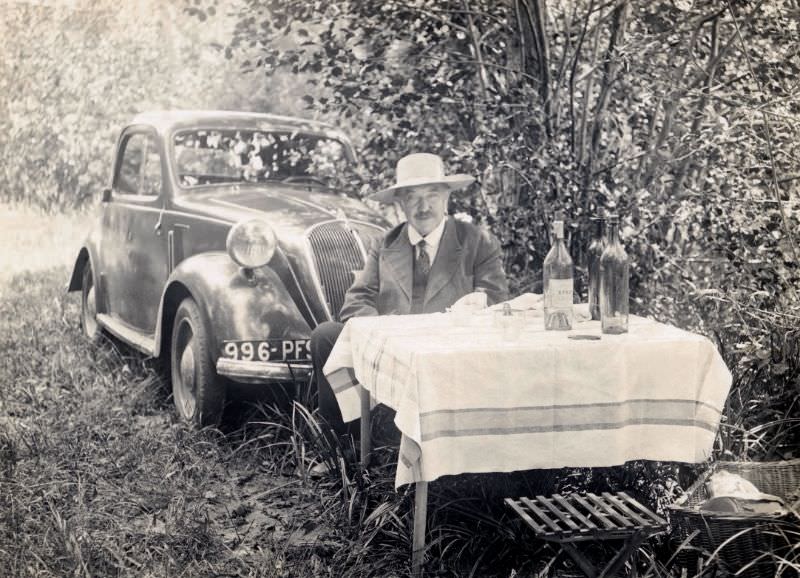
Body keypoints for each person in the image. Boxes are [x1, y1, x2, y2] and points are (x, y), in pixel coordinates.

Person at [310, 152, 509, 441]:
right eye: (412, 197)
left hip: (449, 350)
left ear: (446, 199)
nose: (423, 206)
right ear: (400, 203)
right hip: (394, 350)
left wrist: (474, 306)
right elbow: (357, 300)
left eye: (432, 195)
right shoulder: (386, 244)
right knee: (325, 336)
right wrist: (383, 331)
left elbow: (496, 300)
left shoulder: (476, 241)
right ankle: (346, 443)